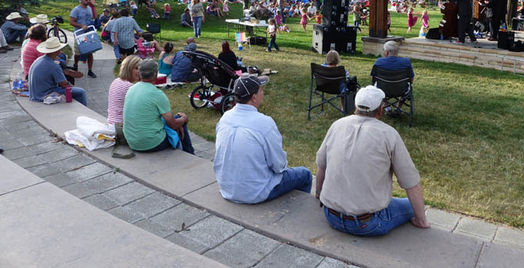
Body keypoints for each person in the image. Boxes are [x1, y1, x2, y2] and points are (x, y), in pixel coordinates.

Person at [315, 85, 429, 236]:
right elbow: (411, 183)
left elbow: (321, 166)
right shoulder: (389, 134)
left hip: (331, 216)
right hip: (368, 223)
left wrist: (318, 194)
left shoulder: (337, 125)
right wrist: (422, 221)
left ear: (355, 105)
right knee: (411, 205)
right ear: (380, 110)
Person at [213, 74, 312, 204]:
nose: (263, 93)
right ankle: (300, 210)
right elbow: (279, 166)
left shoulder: (225, 118)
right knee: (305, 174)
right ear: (254, 98)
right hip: (255, 192)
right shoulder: (264, 123)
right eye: (261, 90)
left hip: (227, 188)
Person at [123, 59, 194, 154]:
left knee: (167, 120)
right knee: (179, 119)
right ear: (156, 74)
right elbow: (172, 124)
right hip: (152, 143)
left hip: (132, 141)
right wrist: (184, 119)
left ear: (140, 73)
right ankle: (189, 153)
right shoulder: (157, 94)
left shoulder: (131, 89)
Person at [28, 37, 87, 106]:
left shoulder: (40, 59)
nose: (61, 51)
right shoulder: (53, 65)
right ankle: (84, 113)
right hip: (43, 95)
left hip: (35, 93)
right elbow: (64, 84)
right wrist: (71, 85)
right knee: (80, 92)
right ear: (57, 51)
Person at [107, 55, 141, 126]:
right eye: (136, 68)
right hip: (121, 127)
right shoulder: (129, 87)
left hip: (111, 123)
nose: (139, 71)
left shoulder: (116, 81)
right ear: (128, 69)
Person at [69, 0, 97, 78]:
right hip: (79, 34)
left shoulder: (89, 8)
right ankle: (75, 65)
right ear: (81, 0)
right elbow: (71, 22)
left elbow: (93, 17)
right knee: (77, 53)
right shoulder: (76, 10)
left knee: (90, 52)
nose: (88, 1)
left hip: (88, 33)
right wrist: (81, 26)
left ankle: (90, 70)